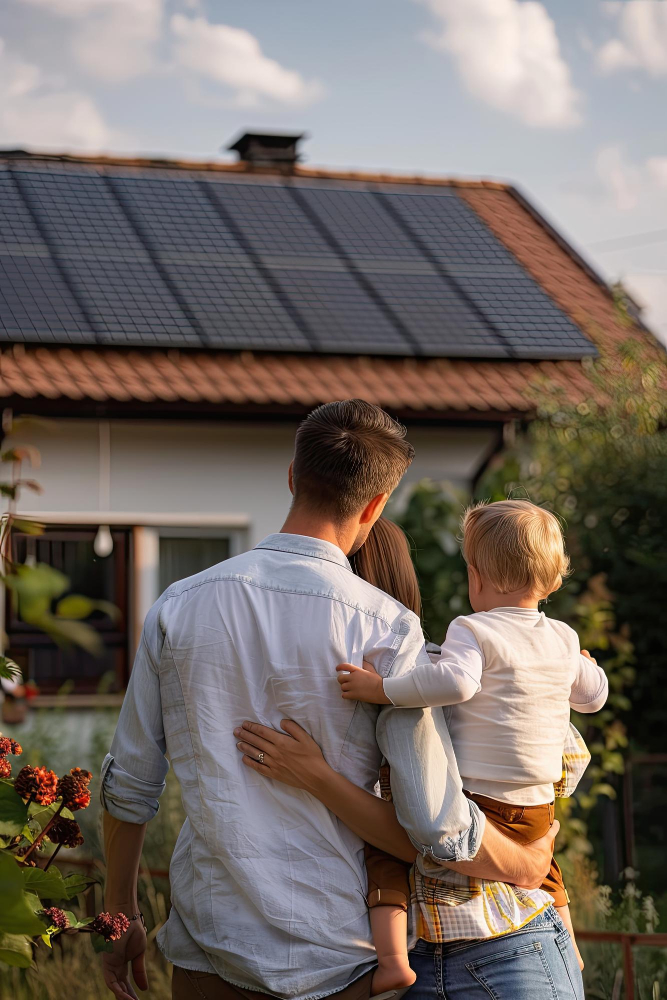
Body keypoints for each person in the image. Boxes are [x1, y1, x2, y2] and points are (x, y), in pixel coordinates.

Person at [100, 400, 555, 1000]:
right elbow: (433, 826)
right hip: (341, 959)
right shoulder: (388, 629)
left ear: (292, 476)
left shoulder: (179, 604)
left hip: (210, 948)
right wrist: (525, 866)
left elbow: (130, 784)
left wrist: (120, 915)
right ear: (375, 507)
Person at [336, 500, 607, 977]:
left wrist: (382, 688)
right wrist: (583, 664)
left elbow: (457, 683)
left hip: (478, 805)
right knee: (545, 870)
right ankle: (572, 947)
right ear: (555, 581)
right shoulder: (562, 638)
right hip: (536, 808)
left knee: (384, 855)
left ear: (476, 577)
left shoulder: (472, 629)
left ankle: (392, 959)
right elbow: (593, 698)